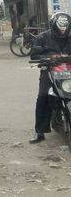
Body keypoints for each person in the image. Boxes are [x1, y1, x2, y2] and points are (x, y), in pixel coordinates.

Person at [29, 12, 71, 144]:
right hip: (49, 71)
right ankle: (39, 131)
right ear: (53, 26)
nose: (63, 33)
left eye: (65, 30)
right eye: (60, 30)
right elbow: (34, 55)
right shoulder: (42, 37)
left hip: (68, 71)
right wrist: (47, 59)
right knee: (43, 96)